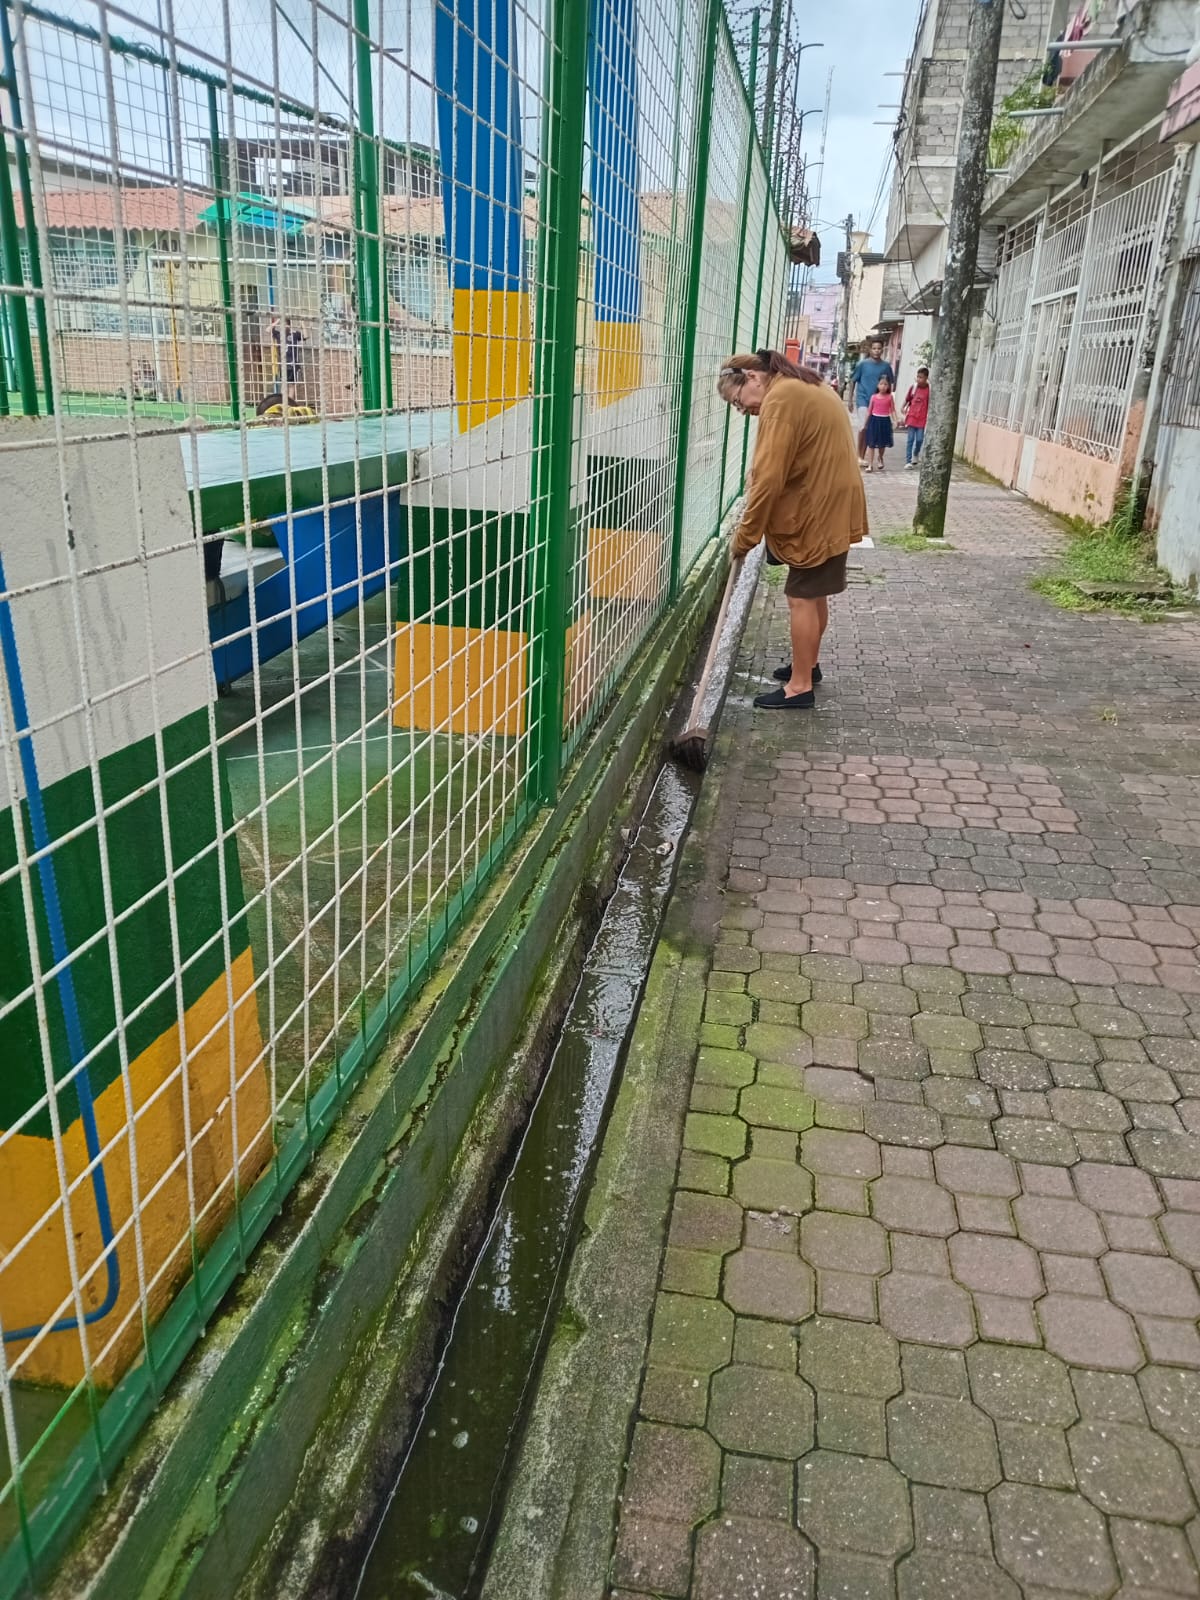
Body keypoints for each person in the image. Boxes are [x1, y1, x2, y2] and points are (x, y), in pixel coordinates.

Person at [718, 348, 868, 711]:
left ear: (752, 378)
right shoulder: (799, 385)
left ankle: (799, 687)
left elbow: (768, 480)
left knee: (801, 597)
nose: (742, 410)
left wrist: (745, 537)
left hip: (819, 510)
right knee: (813, 594)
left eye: (738, 401)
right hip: (831, 502)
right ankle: (808, 665)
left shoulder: (781, 398)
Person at [850, 338, 895, 465]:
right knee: (863, 427)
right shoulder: (862, 365)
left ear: (882, 350)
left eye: (879, 348)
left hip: (878, 402)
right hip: (863, 399)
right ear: (870, 350)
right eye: (874, 348)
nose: (876, 351)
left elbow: (890, 383)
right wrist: (850, 400)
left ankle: (864, 456)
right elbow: (853, 380)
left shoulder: (886, 366)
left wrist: (888, 400)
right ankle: (859, 456)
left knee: (870, 429)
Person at [864, 375, 896, 472]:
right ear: (877, 385)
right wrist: (865, 423)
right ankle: (870, 464)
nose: (883, 386)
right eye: (881, 384)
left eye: (885, 384)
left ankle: (880, 457)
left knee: (882, 444)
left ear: (888, 386)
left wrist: (895, 420)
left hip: (885, 422)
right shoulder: (873, 397)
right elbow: (869, 411)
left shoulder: (890, 397)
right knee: (871, 444)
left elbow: (893, 410)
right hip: (874, 421)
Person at [271, 316, 305, 404]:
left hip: (292, 364)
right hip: (283, 364)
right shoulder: (279, 334)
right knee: (283, 385)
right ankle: (283, 403)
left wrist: (303, 325)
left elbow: (306, 336)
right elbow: (268, 330)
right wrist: (277, 321)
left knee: (291, 385)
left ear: (289, 325)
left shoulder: (294, 334)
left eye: (285, 324)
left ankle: (290, 404)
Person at [902, 365, 930, 468]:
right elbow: (907, 398)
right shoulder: (913, 387)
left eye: (921, 377)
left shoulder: (929, 389)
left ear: (926, 378)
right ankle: (908, 461)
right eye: (918, 377)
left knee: (919, 439)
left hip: (922, 419)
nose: (918, 379)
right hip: (912, 417)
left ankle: (916, 453)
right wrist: (902, 407)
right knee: (910, 439)